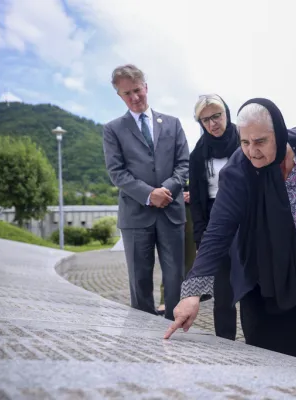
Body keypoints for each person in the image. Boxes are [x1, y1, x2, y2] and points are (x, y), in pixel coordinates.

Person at [164, 98, 296, 365]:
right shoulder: (238, 171)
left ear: (278, 134)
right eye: (245, 142)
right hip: (262, 277)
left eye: (260, 141)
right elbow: (218, 230)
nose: (252, 151)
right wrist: (192, 293)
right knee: (265, 360)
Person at [103, 64, 189, 321]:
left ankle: (175, 330)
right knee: (139, 280)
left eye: (137, 90)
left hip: (171, 212)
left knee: (175, 277)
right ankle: (142, 337)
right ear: (119, 96)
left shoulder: (173, 124)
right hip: (135, 215)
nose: (135, 97)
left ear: (146, 87)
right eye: (127, 93)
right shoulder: (112, 129)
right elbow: (116, 172)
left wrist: (168, 189)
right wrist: (150, 194)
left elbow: (184, 164)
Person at [188, 94, 240, 340]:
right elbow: (197, 201)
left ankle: (263, 344)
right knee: (223, 293)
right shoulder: (198, 155)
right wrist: (201, 238)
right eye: (205, 119)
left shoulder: (245, 139)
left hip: (248, 219)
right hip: (216, 224)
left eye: (216, 116)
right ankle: (226, 343)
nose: (212, 124)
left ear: (226, 113)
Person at [157, 180, 196, 316]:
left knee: (192, 255)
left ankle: (193, 294)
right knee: (173, 256)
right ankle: (166, 299)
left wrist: (196, 193)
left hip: (200, 203)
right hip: (174, 202)